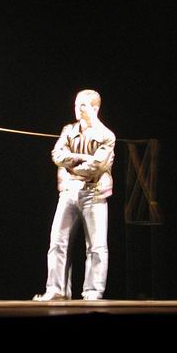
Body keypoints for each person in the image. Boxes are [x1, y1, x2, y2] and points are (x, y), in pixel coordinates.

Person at [33, 89, 115, 301]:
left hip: (94, 194)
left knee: (96, 246)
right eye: (76, 104)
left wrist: (72, 167)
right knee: (57, 242)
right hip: (69, 192)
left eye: (83, 105)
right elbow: (57, 155)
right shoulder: (68, 130)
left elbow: (96, 166)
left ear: (95, 108)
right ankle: (56, 290)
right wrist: (82, 158)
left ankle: (93, 292)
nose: (77, 109)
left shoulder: (106, 136)